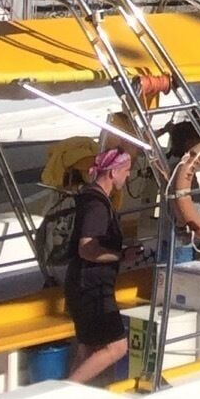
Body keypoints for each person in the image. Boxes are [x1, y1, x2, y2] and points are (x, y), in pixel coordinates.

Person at [65, 145, 135, 384]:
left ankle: (75, 394)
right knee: (117, 346)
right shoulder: (96, 205)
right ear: (113, 172)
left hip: (81, 285)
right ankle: (65, 390)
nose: (128, 176)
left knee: (89, 349)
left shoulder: (90, 197)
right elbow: (87, 248)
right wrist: (120, 256)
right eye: (126, 170)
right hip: (91, 288)